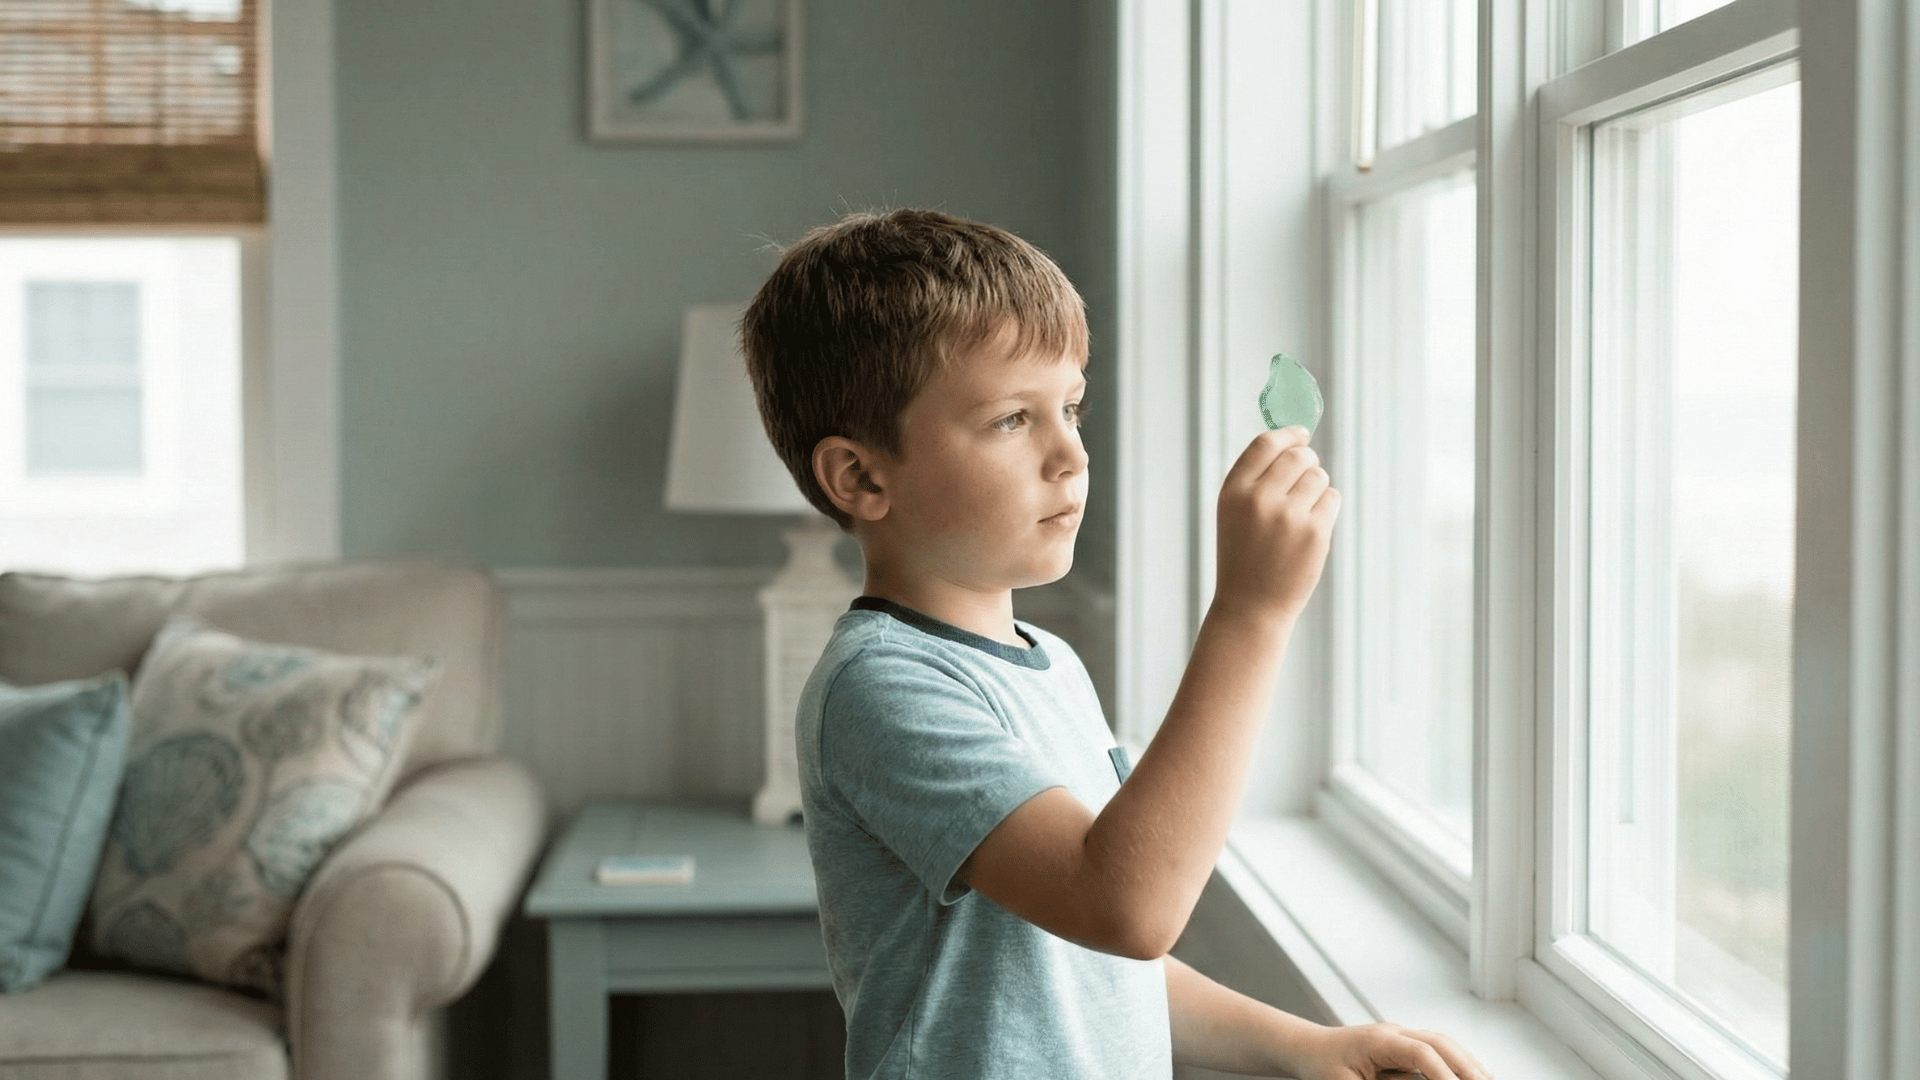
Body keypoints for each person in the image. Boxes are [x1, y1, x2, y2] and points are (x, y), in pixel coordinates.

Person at [742, 208, 1488, 1080]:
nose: (1071, 455)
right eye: (1012, 420)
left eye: (1071, 407)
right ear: (862, 477)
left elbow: (1094, 966)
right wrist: (1251, 612)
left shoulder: (1049, 665)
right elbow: (1127, 905)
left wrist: (1312, 1046)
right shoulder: (880, 688)